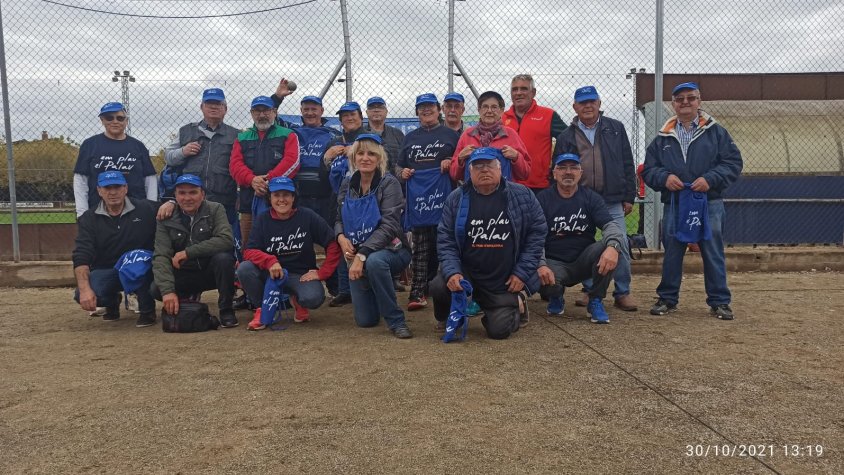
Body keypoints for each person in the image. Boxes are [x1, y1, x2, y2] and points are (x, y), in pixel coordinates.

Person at [642, 82, 743, 320]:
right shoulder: (662, 138)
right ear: (673, 104)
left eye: (691, 98)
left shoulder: (717, 133)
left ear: (699, 101)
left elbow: (733, 163)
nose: (685, 103)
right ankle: (667, 298)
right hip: (676, 203)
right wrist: (665, 178)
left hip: (709, 202)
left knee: (713, 251)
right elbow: (649, 170)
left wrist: (710, 179)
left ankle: (720, 301)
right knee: (672, 252)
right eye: (680, 99)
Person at [430, 147, 547, 339]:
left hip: (503, 279)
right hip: (468, 275)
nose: (484, 170)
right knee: (438, 285)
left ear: (501, 169)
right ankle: (450, 315)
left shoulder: (522, 195)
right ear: (469, 172)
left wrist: (521, 273)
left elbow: (537, 233)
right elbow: (446, 239)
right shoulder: (456, 198)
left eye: (490, 165)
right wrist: (452, 271)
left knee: (499, 331)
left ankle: (513, 302)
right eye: (478, 166)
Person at [553, 85, 639, 312]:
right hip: (580, 200)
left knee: (618, 242)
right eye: (583, 102)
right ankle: (590, 290)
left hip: (611, 199)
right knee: (583, 246)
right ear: (575, 107)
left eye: (592, 101)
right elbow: (559, 168)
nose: (588, 106)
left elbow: (627, 164)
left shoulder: (616, 128)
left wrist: (629, 195)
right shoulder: (566, 135)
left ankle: (622, 291)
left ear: (599, 104)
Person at [237, 177, 342, 330]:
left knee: (313, 298)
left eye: (286, 195)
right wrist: (270, 261)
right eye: (276, 195)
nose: (281, 200)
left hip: (299, 275)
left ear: (293, 197)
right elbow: (249, 251)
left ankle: (298, 300)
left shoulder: (307, 216)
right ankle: (263, 308)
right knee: (244, 269)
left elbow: (332, 242)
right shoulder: (262, 219)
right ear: (270, 198)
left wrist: (323, 273)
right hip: (270, 274)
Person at [336, 134, 413, 339]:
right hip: (358, 253)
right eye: (360, 153)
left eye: (371, 153)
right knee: (366, 321)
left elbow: (389, 226)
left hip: (393, 250)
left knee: (375, 263)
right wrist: (341, 238)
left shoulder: (390, 183)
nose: (365, 158)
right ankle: (377, 291)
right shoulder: (348, 184)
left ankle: (396, 321)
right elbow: (337, 219)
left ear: (380, 158)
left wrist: (362, 255)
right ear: (353, 158)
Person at [536, 154, 625, 324]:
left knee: (609, 249)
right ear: (554, 173)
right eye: (562, 168)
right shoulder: (543, 199)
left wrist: (613, 246)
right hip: (553, 263)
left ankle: (595, 300)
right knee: (537, 270)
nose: (568, 172)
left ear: (580, 172)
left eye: (573, 168)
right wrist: (540, 264)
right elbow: (534, 235)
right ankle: (555, 296)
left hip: (583, 260)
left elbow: (610, 226)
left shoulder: (591, 198)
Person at [397, 93, 459, 310]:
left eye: (430, 106)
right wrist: (402, 172)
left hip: (445, 198)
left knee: (445, 243)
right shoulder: (410, 137)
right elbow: (398, 166)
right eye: (421, 108)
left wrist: (450, 161)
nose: (426, 111)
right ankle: (417, 291)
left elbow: (460, 164)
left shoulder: (451, 135)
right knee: (421, 246)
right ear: (416, 112)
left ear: (438, 109)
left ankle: (448, 287)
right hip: (419, 200)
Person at [72, 171, 159, 326]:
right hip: (108, 270)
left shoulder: (146, 208)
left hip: (141, 268)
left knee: (141, 266)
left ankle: (147, 309)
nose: (112, 192)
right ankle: (111, 301)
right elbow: (81, 254)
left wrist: (170, 204)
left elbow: (174, 207)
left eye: (117, 187)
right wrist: (85, 289)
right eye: (107, 188)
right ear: (99, 191)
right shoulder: (88, 218)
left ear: (125, 188)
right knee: (81, 294)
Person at [152, 174, 238, 328]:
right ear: (175, 196)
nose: (187, 198)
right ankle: (186, 298)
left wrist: (188, 252)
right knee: (156, 288)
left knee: (224, 259)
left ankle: (226, 309)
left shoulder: (216, 208)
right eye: (182, 193)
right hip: (183, 271)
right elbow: (161, 255)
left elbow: (226, 240)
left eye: (193, 192)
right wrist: (168, 291)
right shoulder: (165, 217)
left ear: (202, 194)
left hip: (209, 271)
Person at [229, 96, 300, 247]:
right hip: (248, 204)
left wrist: (268, 182)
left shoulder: (288, 134)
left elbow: (292, 162)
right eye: (257, 111)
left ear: (274, 112)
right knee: (248, 245)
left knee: (281, 245)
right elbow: (235, 166)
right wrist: (252, 180)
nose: (262, 115)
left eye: (266, 110)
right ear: (251, 113)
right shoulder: (242, 137)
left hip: (281, 204)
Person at [163, 88, 240, 225]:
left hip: (224, 201)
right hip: (190, 200)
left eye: (218, 103)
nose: (214, 107)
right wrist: (183, 151)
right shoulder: (186, 131)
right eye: (209, 103)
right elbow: (168, 157)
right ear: (201, 107)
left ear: (225, 109)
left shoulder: (236, 135)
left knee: (223, 241)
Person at [73, 102, 157, 217]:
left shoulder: (138, 146)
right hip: (99, 211)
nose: (115, 121)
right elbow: (80, 180)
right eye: (109, 118)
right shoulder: (90, 145)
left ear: (126, 121)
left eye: (120, 118)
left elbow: (150, 180)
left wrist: (150, 208)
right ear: (102, 120)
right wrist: (82, 212)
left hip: (136, 211)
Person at [322, 101, 368, 307]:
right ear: (340, 121)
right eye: (345, 116)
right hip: (339, 200)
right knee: (342, 242)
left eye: (353, 115)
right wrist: (327, 157)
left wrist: (357, 151)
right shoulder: (333, 141)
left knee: (365, 241)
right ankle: (344, 289)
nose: (349, 118)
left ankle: (368, 287)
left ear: (361, 117)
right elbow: (321, 172)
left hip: (365, 198)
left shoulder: (368, 138)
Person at [502, 74, 567, 194]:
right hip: (507, 184)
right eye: (514, 89)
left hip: (539, 186)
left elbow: (568, 139)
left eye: (524, 89)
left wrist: (556, 165)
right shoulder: (502, 118)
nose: (518, 93)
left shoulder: (548, 115)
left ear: (533, 92)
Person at [450, 90, 531, 183]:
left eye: (494, 107)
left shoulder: (511, 135)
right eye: (485, 107)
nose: (489, 111)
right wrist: (460, 158)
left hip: (503, 194)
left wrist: (516, 157)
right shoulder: (467, 135)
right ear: (479, 110)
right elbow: (454, 175)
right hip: (473, 194)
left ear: (501, 111)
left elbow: (525, 174)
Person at [364, 96, 405, 175]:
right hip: (367, 181)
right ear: (367, 112)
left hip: (394, 181)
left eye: (380, 107)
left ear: (386, 112)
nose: (376, 110)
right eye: (372, 107)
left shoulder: (398, 134)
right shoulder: (360, 134)